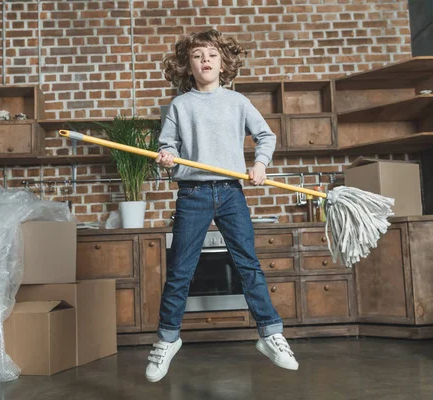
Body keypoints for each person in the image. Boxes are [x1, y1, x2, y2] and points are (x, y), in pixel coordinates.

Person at [145, 29, 298, 383]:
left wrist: (260, 165)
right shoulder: (179, 106)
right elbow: (166, 148)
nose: (205, 60)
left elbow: (266, 136)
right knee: (180, 270)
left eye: (212, 54)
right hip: (192, 196)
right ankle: (167, 339)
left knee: (248, 265)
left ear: (223, 62)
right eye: (198, 55)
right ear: (188, 64)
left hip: (231, 193)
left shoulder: (238, 102)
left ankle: (271, 334)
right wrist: (166, 158)